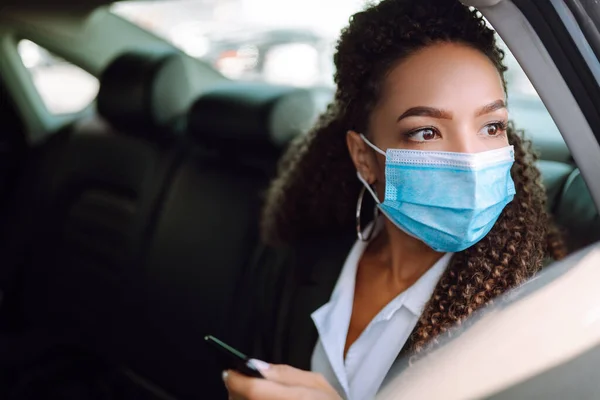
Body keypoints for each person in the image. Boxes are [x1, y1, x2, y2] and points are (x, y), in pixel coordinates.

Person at [223, 0, 566, 398]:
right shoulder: (301, 255)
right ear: (364, 157)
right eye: (426, 132)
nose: (471, 160)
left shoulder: (536, 306)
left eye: (491, 126)